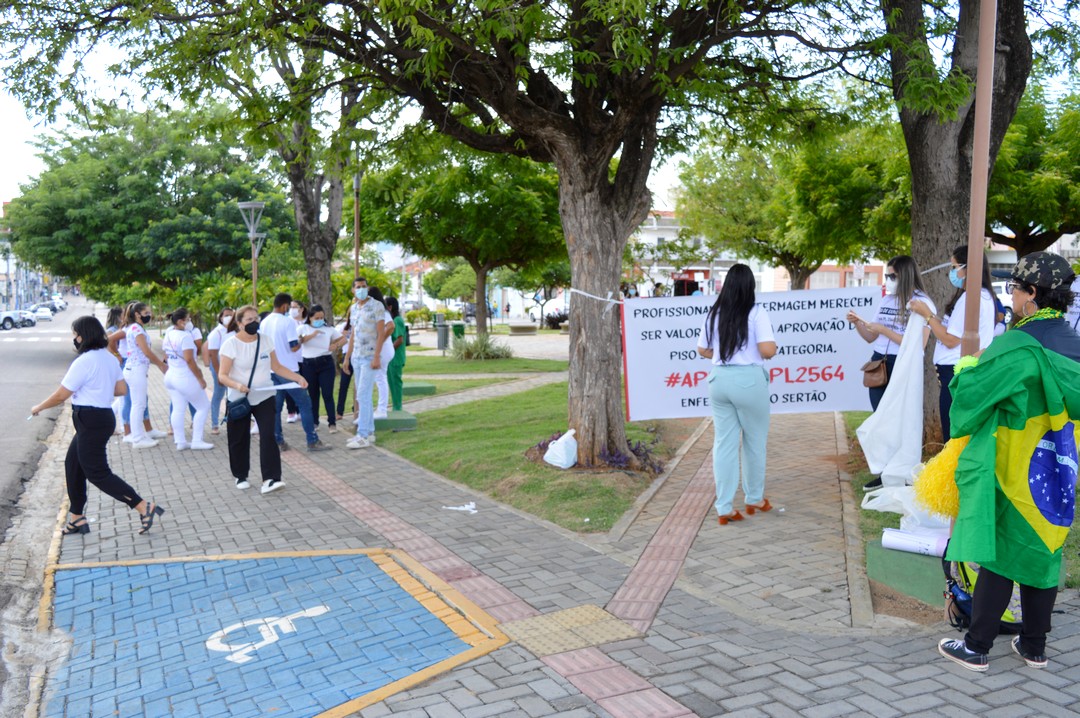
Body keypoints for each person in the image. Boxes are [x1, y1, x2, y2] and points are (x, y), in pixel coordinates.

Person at [937, 251, 1080, 672]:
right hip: (1059, 468)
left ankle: (977, 647)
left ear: (1032, 294)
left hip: (1015, 465)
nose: (1010, 297)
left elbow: (970, 399)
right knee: (1043, 548)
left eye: (1013, 289)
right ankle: (1034, 647)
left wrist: (965, 368)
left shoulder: (1018, 346)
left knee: (998, 551)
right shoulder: (1075, 344)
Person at [31, 316, 165, 536]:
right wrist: (98, 388)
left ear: (83, 336)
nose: (74, 339)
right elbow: (121, 390)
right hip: (99, 419)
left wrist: (39, 407)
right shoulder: (109, 358)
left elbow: (61, 395)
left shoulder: (84, 361)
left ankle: (143, 507)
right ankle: (77, 518)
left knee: (97, 473)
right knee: (73, 465)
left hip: (90, 420)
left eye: (75, 334)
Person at [695, 264, 778, 525]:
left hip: (719, 380)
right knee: (754, 442)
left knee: (724, 444)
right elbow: (767, 350)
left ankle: (724, 506)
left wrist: (724, 354)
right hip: (748, 381)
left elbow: (702, 349)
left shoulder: (715, 313)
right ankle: (753, 498)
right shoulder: (756, 312)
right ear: (750, 286)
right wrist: (769, 349)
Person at [218, 305, 310, 494]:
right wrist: (238, 386)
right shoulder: (230, 344)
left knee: (268, 434)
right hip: (239, 398)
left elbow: (277, 367)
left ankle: (271, 479)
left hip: (264, 396)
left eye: (256, 319)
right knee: (239, 438)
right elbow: (222, 375)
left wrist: (297, 377)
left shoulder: (265, 340)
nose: (254, 323)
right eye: (249, 320)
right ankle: (240, 475)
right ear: (239, 323)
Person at [909, 246, 997, 439]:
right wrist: (930, 317)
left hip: (955, 373)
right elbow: (951, 330)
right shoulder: (980, 296)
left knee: (953, 436)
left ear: (968, 268)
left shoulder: (972, 298)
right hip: (957, 372)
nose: (952, 272)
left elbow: (950, 339)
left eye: (955, 266)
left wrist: (927, 314)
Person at [847, 255, 935, 411]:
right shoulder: (887, 300)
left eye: (892, 276)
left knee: (896, 415)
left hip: (902, 362)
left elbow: (919, 344)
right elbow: (870, 337)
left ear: (906, 275)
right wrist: (857, 323)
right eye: (887, 276)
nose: (888, 280)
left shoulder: (922, 303)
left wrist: (884, 330)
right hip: (879, 361)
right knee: (878, 413)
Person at [260, 293, 328, 452]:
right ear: (284, 306)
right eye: (289, 307)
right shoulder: (288, 322)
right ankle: (312, 440)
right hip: (289, 370)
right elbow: (294, 347)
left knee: (275, 408)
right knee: (305, 404)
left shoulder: (264, 322)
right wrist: (303, 339)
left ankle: (278, 441)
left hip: (271, 369)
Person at [109, 302, 168, 449]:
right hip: (136, 369)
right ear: (137, 314)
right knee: (138, 404)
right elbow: (146, 352)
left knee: (138, 403)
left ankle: (139, 435)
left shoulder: (134, 328)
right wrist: (161, 365)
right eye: (146, 313)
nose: (149, 315)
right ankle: (137, 438)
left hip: (135, 369)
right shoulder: (136, 329)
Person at [343, 277, 386, 449]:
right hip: (357, 357)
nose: (361, 289)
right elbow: (353, 333)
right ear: (353, 290)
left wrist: (377, 356)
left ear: (367, 288)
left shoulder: (377, 306)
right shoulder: (354, 308)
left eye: (363, 286)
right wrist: (347, 357)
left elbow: (381, 333)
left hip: (370, 356)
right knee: (363, 395)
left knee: (362, 394)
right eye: (357, 287)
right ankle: (369, 432)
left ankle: (363, 434)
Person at [161, 308, 213, 451]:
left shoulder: (169, 333)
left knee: (178, 409)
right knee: (203, 407)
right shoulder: (185, 337)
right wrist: (201, 379)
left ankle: (180, 441)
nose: (190, 322)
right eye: (188, 319)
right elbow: (190, 361)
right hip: (184, 377)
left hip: (171, 375)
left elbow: (166, 354)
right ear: (180, 321)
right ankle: (197, 440)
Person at [298, 304, 346, 433]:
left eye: (322, 317)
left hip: (325, 363)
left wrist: (335, 345)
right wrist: (312, 335)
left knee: (327, 393)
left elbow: (343, 339)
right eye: (317, 318)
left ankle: (332, 423)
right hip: (308, 364)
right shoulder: (303, 328)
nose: (320, 320)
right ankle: (315, 422)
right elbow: (298, 341)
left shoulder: (328, 329)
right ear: (310, 317)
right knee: (313, 395)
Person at [204, 307, 235, 435]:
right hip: (219, 366)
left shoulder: (235, 331)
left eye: (231, 315)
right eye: (226, 315)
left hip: (233, 366)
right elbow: (213, 356)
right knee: (218, 394)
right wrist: (218, 374)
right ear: (220, 317)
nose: (228, 317)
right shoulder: (216, 333)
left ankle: (232, 420)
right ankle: (215, 424)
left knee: (233, 394)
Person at [367, 287, 395, 420]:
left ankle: (382, 409)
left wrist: (380, 340)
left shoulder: (382, 311)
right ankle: (378, 408)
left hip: (384, 349)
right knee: (377, 378)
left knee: (380, 377)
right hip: (381, 348)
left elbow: (390, 326)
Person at [284, 299, 307, 423]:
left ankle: (300, 411)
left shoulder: (307, 321)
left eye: (295, 307)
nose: (292, 310)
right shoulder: (288, 322)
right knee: (290, 384)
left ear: (301, 309)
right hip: (291, 358)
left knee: (303, 385)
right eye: (291, 307)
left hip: (305, 357)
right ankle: (291, 411)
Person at [385, 296, 407, 412]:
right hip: (391, 358)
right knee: (392, 383)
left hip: (396, 358)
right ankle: (395, 406)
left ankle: (397, 407)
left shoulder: (397, 320)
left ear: (390, 307)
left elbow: (399, 339)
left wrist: (390, 350)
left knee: (396, 383)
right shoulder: (392, 320)